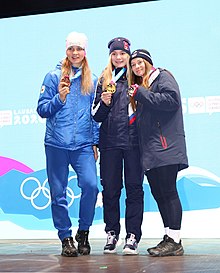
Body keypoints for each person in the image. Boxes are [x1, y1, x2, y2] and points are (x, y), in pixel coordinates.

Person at [37, 31, 99, 257]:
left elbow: (94, 114)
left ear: (85, 52)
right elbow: (42, 109)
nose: (75, 53)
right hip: (56, 145)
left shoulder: (91, 80)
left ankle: (84, 232)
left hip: (83, 145)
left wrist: (95, 141)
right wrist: (59, 98)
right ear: (66, 51)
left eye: (79, 49)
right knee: (58, 192)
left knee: (91, 186)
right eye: (71, 48)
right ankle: (65, 237)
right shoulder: (53, 77)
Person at [128, 49, 188, 257]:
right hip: (152, 151)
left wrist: (141, 94)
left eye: (139, 62)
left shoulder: (162, 77)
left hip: (166, 147)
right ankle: (169, 236)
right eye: (133, 64)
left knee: (169, 192)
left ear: (148, 62)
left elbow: (172, 101)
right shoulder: (144, 86)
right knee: (159, 194)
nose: (136, 67)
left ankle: (175, 239)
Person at [92, 37, 144, 255]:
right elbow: (95, 116)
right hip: (110, 144)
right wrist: (103, 103)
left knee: (134, 190)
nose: (119, 57)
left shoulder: (138, 78)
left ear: (128, 55)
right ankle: (111, 233)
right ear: (110, 57)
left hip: (134, 144)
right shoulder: (104, 80)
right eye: (115, 54)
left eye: (122, 53)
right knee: (110, 191)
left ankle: (132, 236)